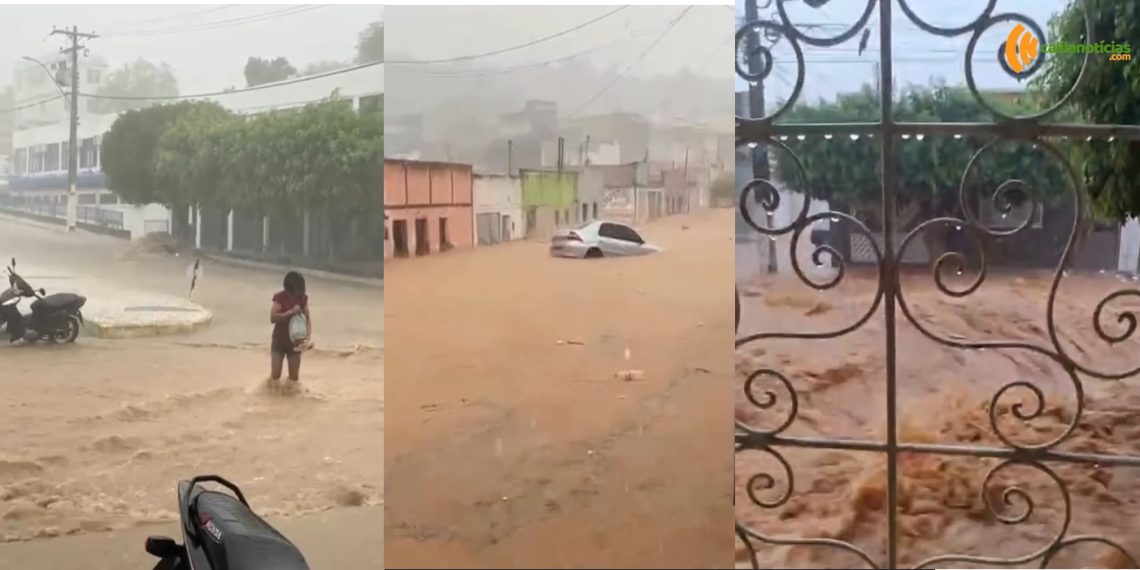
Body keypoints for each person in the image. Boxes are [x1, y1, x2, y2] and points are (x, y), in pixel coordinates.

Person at [270, 271, 312, 383]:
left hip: (295, 342)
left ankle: (290, 397)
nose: (300, 291)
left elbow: (307, 318)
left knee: (294, 379)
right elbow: (273, 318)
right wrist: (290, 312)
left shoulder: (303, 299)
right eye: (298, 288)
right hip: (279, 340)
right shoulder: (280, 298)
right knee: (275, 376)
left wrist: (307, 337)